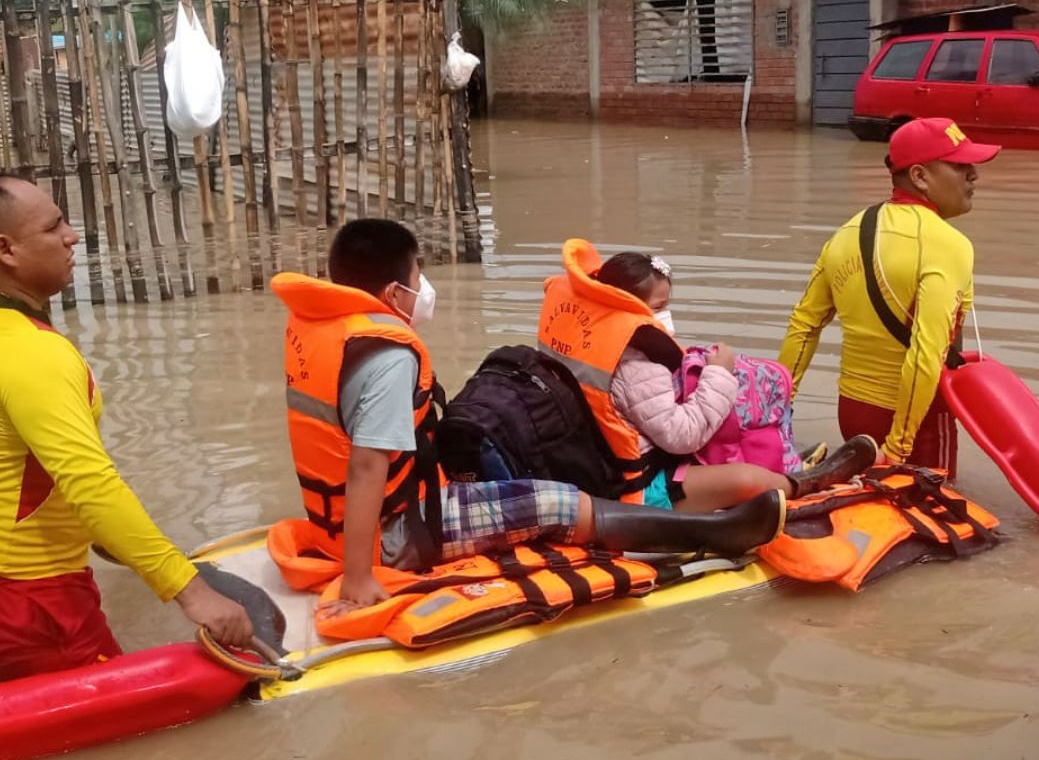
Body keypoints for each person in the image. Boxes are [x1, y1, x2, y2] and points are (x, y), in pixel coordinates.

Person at [275, 219, 791, 614]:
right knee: (557, 503)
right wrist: (360, 577)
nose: (423, 287)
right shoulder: (387, 357)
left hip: (339, 525)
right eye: (417, 277)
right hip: (393, 535)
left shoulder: (323, 329)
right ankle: (715, 534)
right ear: (393, 294)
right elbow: (367, 465)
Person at [0, 170, 253, 679]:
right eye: (54, 227)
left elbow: (3, 457)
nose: (72, 236)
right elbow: (90, 483)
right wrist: (194, 593)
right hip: (19, 599)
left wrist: (110, 540)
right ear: (6, 250)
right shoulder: (30, 352)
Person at [567, 249, 876, 511]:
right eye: (658, 308)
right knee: (747, 480)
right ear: (626, 306)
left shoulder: (589, 339)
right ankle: (808, 485)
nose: (664, 316)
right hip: (642, 489)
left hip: (606, 465)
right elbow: (682, 436)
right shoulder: (634, 364)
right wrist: (719, 373)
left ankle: (781, 465)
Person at [777, 117, 999, 474]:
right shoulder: (949, 245)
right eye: (960, 166)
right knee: (936, 524)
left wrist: (777, 413)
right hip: (918, 423)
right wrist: (898, 447)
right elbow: (926, 353)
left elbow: (804, 327)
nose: (973, 175)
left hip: (852, 414)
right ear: (920, 176)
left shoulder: (845, 234)